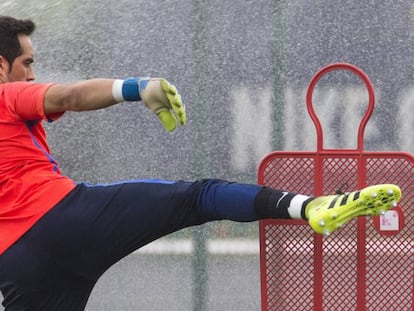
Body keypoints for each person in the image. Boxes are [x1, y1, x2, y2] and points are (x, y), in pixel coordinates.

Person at [0, 16, 401, 311]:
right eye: (27, 64)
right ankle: (309, 207)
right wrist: (138, 87)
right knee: (200, 196)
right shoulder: (7, 96)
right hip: (60, 217)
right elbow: (70, 96)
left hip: (17, 263)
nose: (33, 75)